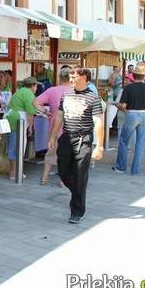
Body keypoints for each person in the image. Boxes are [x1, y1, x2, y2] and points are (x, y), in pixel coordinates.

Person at [49, 66, 104, 223]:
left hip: (84, 139)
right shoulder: (66, 95)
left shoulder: (93, 98)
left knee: (80, 174)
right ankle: (78, 192)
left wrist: (99, 146)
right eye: (70, 76)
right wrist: (53, 137)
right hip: (66, 137)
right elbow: (59, 116)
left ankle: (77, 210)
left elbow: (98, 121)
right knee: (63, 172)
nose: (71, 79)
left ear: (85, 77)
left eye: (74, 76)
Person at [113, 65, 145, 175]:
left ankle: (121, 167)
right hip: (144, 115)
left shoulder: (128, 87)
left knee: (124, 141)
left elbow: (123, 105)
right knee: (140, 143)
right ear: (144, 76)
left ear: (133, 75)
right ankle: (135, 170)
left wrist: (123, 108)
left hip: (132, 114)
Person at [35, 67, 73, 185]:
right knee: (67, 155)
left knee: (51, 152)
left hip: (53, 126)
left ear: (59, 78)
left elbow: (35, 102)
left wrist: (46, 112)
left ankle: (44, 178)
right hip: (70, 127)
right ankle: (63, 180)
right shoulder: (75, 91)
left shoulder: (52, 90)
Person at [5, 77, 39, 180]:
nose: (36, 88)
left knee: (12, 145)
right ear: (33, 86)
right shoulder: (29, 94)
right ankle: (14, 172)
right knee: (18, 146)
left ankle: (12, 171)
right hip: (19, 120)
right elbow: (30, 113)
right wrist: (30, 128)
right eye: (36, 85)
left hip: (10, 118)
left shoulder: (20, 91)